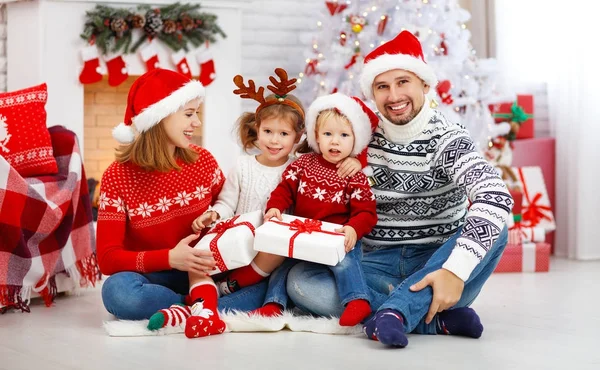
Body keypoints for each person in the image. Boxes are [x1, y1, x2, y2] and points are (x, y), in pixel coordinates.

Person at [285, 30, 512, 347]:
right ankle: (429, 319)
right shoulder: (358, 136)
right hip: (375, 262)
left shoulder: (448, 138)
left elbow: (496, 196)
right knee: (300, 281)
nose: (393, 95)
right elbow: (308, 171)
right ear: (372, 93)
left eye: (403, 82)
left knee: (498, 228)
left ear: (424, 84)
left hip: (436, 262)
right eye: (382, 86)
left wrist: (455, 270)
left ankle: (396, 312)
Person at [146, 68, 306, 336]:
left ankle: (191, 310)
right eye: (268, 131)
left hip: (269, 258)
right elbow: (226, 202)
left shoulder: (300, 169)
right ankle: (205, 303)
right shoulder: (243, 166)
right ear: (256, 131)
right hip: (236, 246)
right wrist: (213, 215)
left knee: (265, 277)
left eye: (283, 134)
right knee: (199, 261)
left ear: (297, 137)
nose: (274, 140)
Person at [97, 69, 223, 332]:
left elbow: (229, 209)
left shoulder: (204, 162)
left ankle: (195, 305)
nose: (196, 122)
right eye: (189, 114)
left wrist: (217, 217)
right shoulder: (117, 177)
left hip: (205, 271)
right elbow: (108, 258)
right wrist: (170, 259)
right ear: (159, 117)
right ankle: (199, 306)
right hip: (157, 276)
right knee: (118, 292)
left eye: (196, 113)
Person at [255, 93, 379, 326]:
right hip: (305, 233)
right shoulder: (303, 164)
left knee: (345, 261)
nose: (335, 142)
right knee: (284, 262)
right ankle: (273, 303)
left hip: (340, 234)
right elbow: (284, 190)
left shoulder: (355, 176)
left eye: (344, 135)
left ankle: (357, 299)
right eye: (328, 134)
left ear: (356, 140)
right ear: (317, 137)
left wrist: (353, 228)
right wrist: (274, 208)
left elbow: (367, 212)